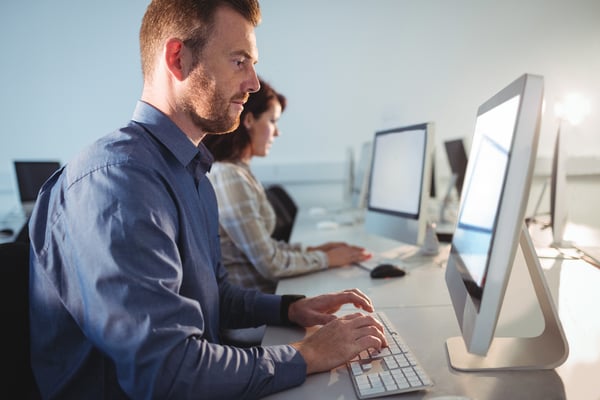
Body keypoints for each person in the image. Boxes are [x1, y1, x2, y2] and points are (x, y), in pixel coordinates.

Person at [28, 1, 387, 398]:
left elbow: (216, 296)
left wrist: (288, 308)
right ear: (178, 59)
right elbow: (166, 374)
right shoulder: (117, 184)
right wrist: (306, 355)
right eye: (239, 62)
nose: (253, 83)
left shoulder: (192, 171)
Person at [203, 78, 371, 294]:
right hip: (256, 310)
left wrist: (313, 250)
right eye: (272, 121)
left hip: (268, 295)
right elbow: (271, 264)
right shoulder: (229, 175)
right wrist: (327, 259)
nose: (277, 132)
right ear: (249, 121)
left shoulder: (239, 171)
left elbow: (266, 247)